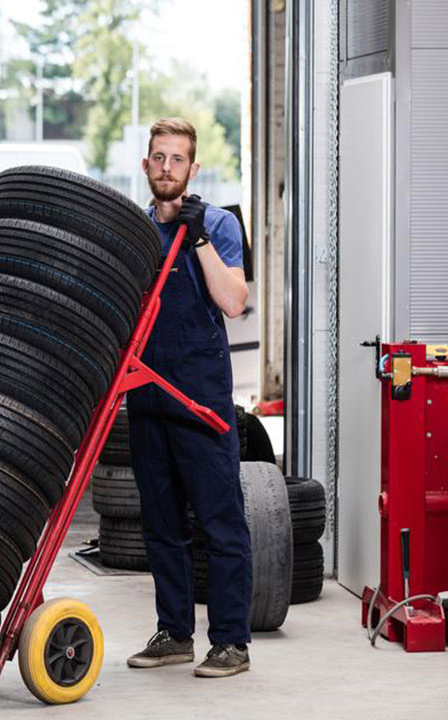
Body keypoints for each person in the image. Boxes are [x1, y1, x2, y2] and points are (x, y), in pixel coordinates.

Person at [125, 118, 252, 678]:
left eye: (178, 159)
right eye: (159, 157)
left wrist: (197, 238)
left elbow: (234, 302)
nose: (167, 167)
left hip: (201, 399)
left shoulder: (219, 225)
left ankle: (231, 642)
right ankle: (174, 633)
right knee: (161, 524)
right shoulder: (131, 231)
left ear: (193, 169)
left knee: (221, 523)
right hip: (147, 395)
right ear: (146, 164)